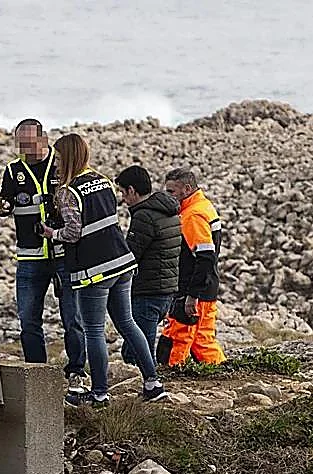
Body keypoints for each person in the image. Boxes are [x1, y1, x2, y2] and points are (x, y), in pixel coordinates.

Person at [41, 134, 168, 407]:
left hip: (94, 270)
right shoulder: (103, 181)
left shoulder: (67, 191)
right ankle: (153, 382)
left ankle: (99, 393)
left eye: (59, 159)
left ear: (68, 158)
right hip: (122, 261)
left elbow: (74, 233)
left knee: (94, 331)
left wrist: (51, 232)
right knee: (127, 323)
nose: (56, 164)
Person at [0, 118, 87, 394]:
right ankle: (37, 373)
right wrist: (3, 207)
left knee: (72, 318)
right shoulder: (14, 170)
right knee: (28, 319)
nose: (25, 148)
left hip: (63, 253)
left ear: (44, 138)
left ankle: (76, 371)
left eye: (29, 142)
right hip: (30, 256)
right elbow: (6, 201)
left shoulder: (60, 165)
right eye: (20, 144)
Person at [158, 167, 226, 366]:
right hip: (206, 287)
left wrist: (191, 295)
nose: (167, 196)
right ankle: (220, 372)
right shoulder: (203, 206)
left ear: (186, 189)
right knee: (202, 340)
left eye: (171, 191)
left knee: (177, 337)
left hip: (193, 290)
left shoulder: (192, 216)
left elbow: (205, 258)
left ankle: (171, 374)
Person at [116, 165, 180, 363]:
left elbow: (131, 254)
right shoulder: (167, 210)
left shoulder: (144, 216)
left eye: (123, 192)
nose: (123, 198)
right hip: (167, 289)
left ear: (132, 191)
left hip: (148, 291)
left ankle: (148, 384)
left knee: (138, 350)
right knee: (135, 345)